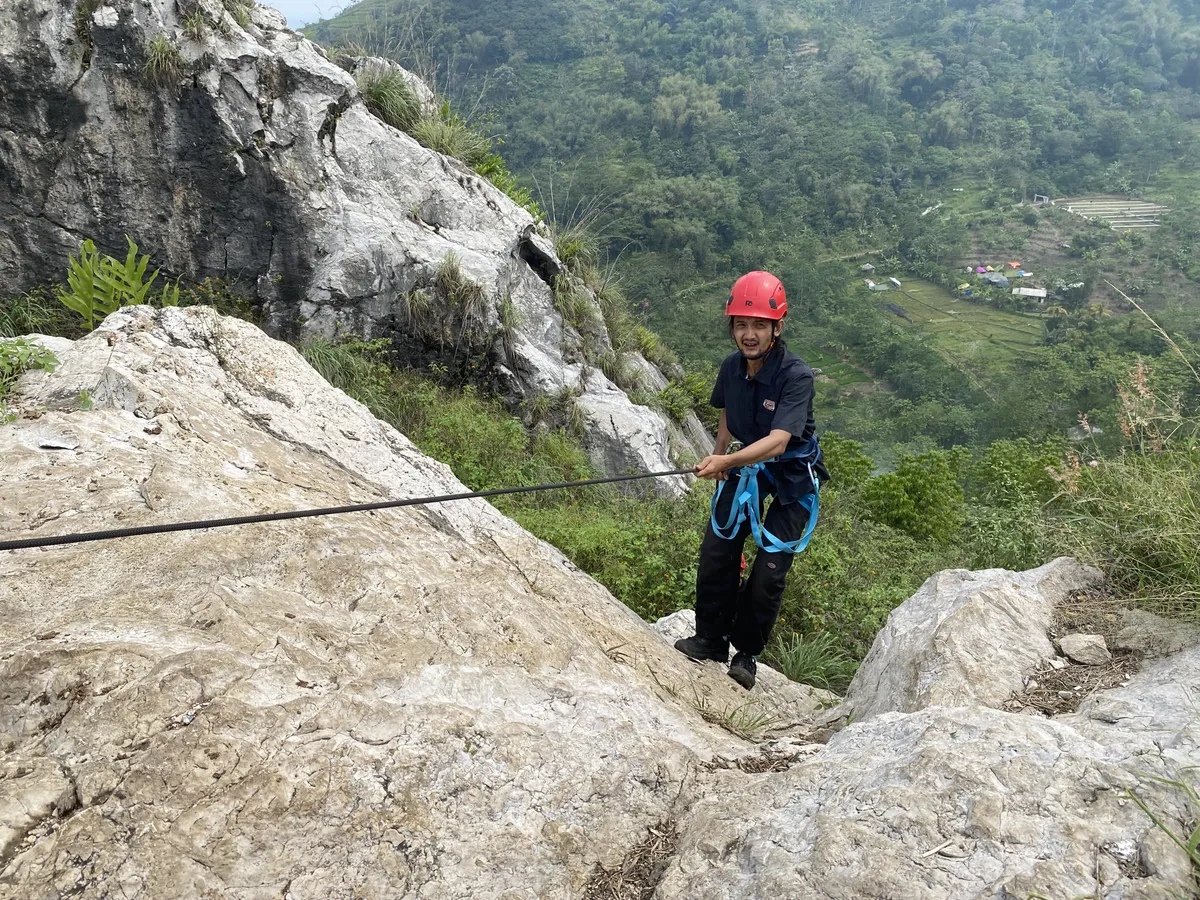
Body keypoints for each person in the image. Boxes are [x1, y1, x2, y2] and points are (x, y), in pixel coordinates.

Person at [675, 270, 826, 690]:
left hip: (791, 472)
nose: (749, 334)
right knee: (717, 548)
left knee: (770, 570)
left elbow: (778, 442)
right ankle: (710, 637)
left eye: (759, 324)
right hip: (746, 465)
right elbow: (727, 414)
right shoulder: (731, 367)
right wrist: (720, 456)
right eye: (741, 324)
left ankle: (746, 653)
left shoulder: (796, 375)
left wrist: (728, 457)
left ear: (776, 327)